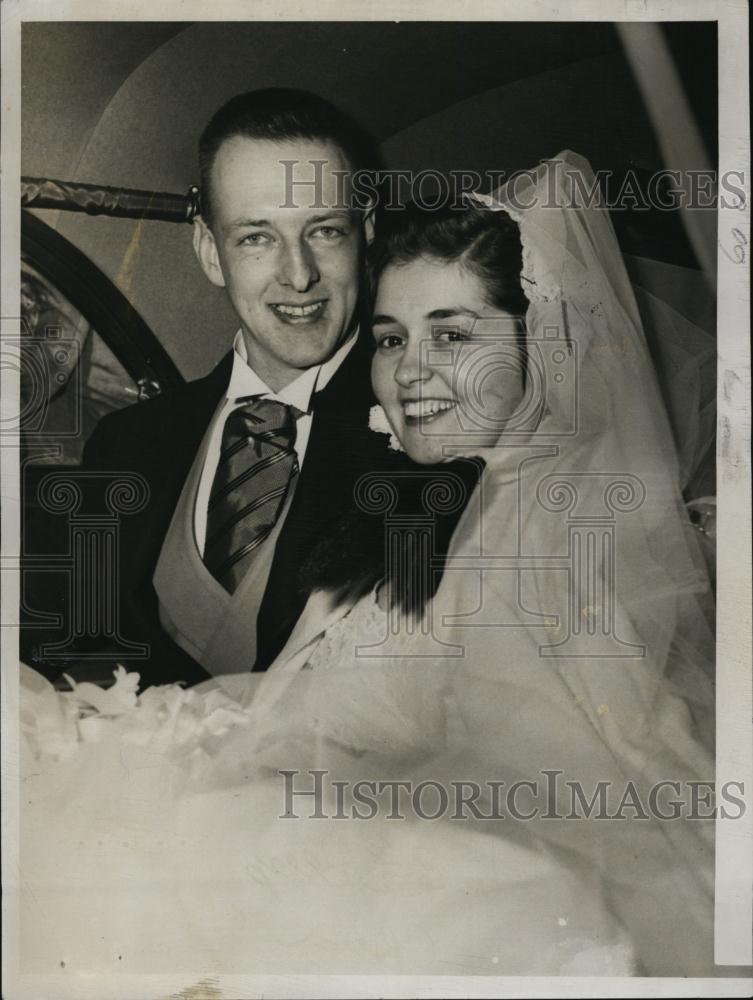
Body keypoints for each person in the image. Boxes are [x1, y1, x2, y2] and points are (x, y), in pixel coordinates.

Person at [19, 153, 716, 977]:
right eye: (391, 338)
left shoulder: (549, 550)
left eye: (451, 335)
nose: (409, 368)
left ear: (544, 350)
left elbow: (510, 797)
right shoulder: (438, 517)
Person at [23, 88, 432, 687]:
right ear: (210, 252)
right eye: (256, 238)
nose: (299, 276)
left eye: (324, 231)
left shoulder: (427, 433)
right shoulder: (127, 442)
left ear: (366, 234)